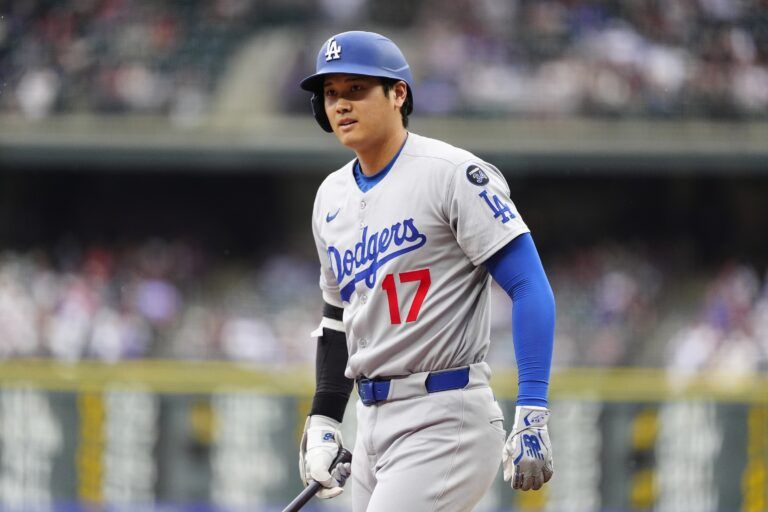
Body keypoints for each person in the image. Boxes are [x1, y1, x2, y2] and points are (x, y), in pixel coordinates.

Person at [297, 31, 555, 511]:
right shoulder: (330, 196)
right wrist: (326, 419)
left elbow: (528, 285)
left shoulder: (451, 173)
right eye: (331, 93)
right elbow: (337, 316)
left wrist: (533, 407)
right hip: (373, 421)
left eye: (357, 89)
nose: (341, 104)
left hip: (445, 411)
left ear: (398, 94)